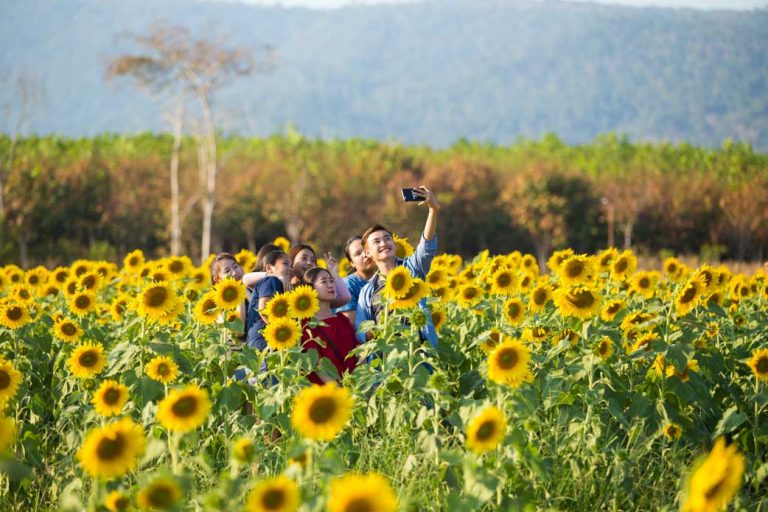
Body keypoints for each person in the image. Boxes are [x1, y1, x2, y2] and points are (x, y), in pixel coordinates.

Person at [355, 185, 440, 347]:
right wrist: (381, 327)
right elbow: (361, 332)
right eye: (376, 241)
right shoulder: (367, 291)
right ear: (367, 253)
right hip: (387, 359)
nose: (384, 243)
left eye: (387, 238)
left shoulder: (412, 269)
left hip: (417, 354)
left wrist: (433, 211)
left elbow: (427, 246)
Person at [300, 267, 359, 384]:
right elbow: (316, 365)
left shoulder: (342, 319)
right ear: (310, 289)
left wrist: (361, 386)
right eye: (324, 281)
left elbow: (358, 353)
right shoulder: (306, 325)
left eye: (331, 281)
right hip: (327, 394)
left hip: (355, 388)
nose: (330, 285)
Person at [245, 250, 293, 363]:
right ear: (269, 268)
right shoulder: (271, 280)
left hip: (264, 346)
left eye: (291, 266)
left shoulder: (281, 286)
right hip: (264, 346)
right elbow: (265, 310)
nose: (290, 268)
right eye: (285, 264)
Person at [333, 236, 377, 324]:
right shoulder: (348, 285)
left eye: (366, 249)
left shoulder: (384, 277)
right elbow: (350, 326)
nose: (365, 254)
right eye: (358, 254)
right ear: (352, 263)